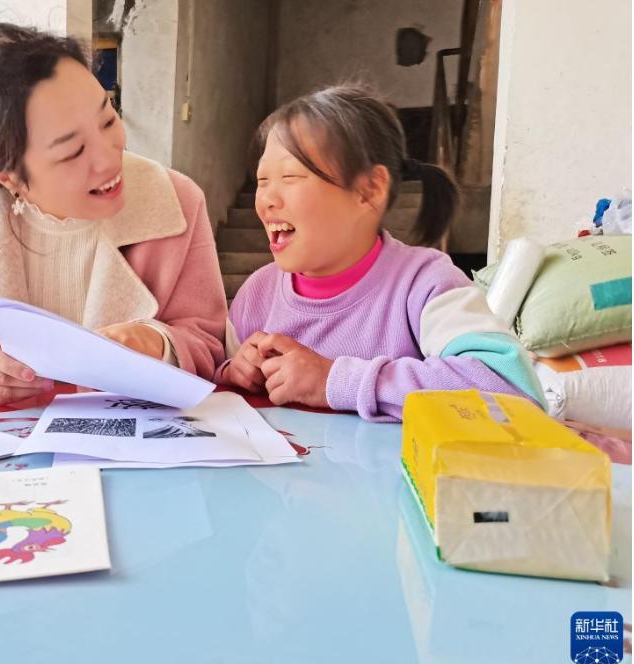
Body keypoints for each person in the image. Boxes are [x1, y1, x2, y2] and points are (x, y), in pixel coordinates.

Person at [0, 22, 227, 404]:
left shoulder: (175, 200)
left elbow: (211, 345)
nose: (109, 157)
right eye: (72, 152)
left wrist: (158, 344)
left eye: (108, 118)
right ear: (8, 176)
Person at [217, 83, 544, 422]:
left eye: (290, 176)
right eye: (262, 180)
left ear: (368, 190)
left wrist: (335, 380)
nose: (267, 200)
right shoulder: (256, 295)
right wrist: (233, 371)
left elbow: (513, 390)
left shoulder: (425, 284)